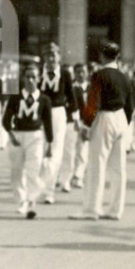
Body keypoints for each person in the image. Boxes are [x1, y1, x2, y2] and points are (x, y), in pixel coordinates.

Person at [70, 41, 135, 221]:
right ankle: (115, 209)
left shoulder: (99, 74)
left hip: (104, 118)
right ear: (118, 56)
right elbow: (130, 106)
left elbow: (93, 103)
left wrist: (86, 125)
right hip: (121, 118)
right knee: (118, 168)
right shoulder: (125, 77)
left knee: (96, 165)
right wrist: (125, 124)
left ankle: (92, 209)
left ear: (101, 56)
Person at [1, 62, 53, 220]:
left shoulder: (44, 99)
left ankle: (31, 202)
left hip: (35, 136)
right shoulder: (15, 98)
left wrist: (49, 143)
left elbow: (48, 122)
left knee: (33, 169)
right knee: (17, 171)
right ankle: (21, 200)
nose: (31, 80)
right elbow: (5, 120)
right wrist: (11, 134)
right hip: (18, 136)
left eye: (34, 77)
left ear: (39, 79)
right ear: (23, 78)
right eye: (28, 76)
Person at [38, 44, 77, 204]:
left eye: (54, 55)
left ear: (59, 57)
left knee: (55, 152)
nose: (51, 58)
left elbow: (72, 97)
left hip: (58, 114)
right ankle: (38, 185)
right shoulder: (38, 74)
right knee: (40, 149)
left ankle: (49, 190)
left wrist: (75, 120)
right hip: (39, 114)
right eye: (48, 55)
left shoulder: (65, 74)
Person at [61, 62, 91, 191]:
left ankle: (78, 176)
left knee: (83, 150)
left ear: (87, 73)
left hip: (87, 122)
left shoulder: (92, 88)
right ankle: (66, 178)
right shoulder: (71, 87)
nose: (80, 74)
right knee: (69, 151)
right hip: (72, 122)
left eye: (83, 71)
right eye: (78, 72)